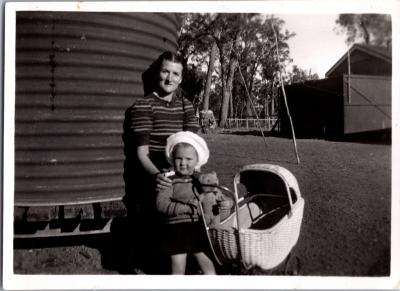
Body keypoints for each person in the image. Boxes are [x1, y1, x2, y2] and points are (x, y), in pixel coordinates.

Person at [123, 51, 199, 273]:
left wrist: (190, 176)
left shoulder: (186, 106)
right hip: (154, 172)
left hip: (182, 169)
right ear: (158, 73)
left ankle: (192, 256)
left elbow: (191, 147)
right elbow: (141, 154)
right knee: (158, 210)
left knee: (199, 201)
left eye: (175, 73)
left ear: (181, 77)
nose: (169, 78)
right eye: (165, 71)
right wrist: (159, 176)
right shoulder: (143, 106)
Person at [156, 131, 216, 274]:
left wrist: (211, 211)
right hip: (176, 230)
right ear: (172, 159)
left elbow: (208, 199)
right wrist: (186, 208)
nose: (183, 163)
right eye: (179, 158)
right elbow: (161, 204)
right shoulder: (168, 180)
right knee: (178, 266)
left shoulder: (199, 180)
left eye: (188, 159)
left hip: (197, 227)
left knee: (207, 263)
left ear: (197, 161)